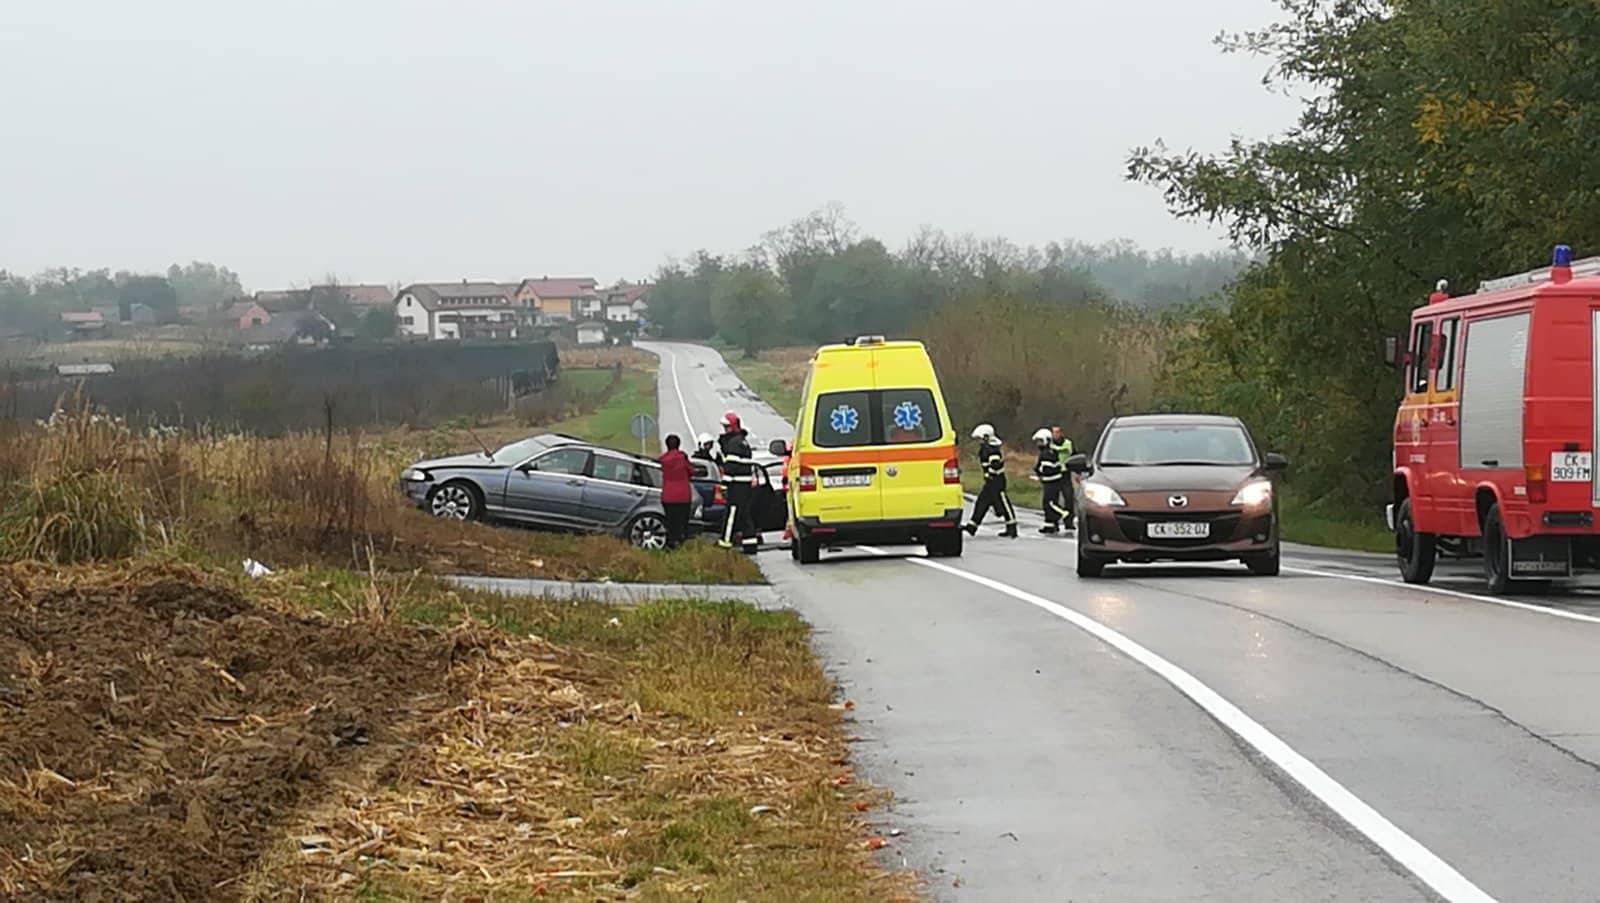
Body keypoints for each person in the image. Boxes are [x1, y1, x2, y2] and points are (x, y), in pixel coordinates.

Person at [716, 412, 760, 553]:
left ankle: (725, 542)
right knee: (745, 515)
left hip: (737, 487)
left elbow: (731, 467)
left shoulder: (734, 444)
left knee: (732, 514)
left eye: (727, 427)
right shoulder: (742, 442)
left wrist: (724, 485)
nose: (725, 430)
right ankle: (750, 544)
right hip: (745, 486)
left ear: (732, 427)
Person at [964, 423, 1017, 538]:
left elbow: (996, 465)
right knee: (981, 503)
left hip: (997, 482)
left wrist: (990, 474)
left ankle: (1012, 527)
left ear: (986, 437)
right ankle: (972, 526)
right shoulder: (985, 450)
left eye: (980, 439)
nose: (979, 442)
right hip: (990, 482)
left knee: (1003, 504)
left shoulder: (992, 450)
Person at [658, 433, 694, 549]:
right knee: (682, 521)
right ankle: (681, 542)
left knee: (671, 521)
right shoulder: (682, 458)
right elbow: (691, 471)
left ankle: (671, 543)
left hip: (668, 496)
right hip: (683, 495)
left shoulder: (662, 460)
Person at [1032, 427, 1068, 535]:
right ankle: (1051, 524)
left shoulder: (1047, 453)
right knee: (1049, 503)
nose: (1038, 444)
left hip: (1051, 482)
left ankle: (1063, 514)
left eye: (1040, 441)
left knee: (1049, 504)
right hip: (1052, 481)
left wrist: (1040, 471)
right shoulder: (1051, 451)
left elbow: (1047, 468)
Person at [1051, 425, 1076, 530]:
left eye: (1057, 432)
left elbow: (1074, 457)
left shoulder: (1068, 444)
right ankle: (1054, 522)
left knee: (1069, 498)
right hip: (1053, 474)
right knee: (1053, 499)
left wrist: (1078, 472)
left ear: (1061, 433)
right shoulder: (1049, 444)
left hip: (1065, 474)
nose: (1055, 434)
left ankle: (1069, 522)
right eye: (1053, 432)